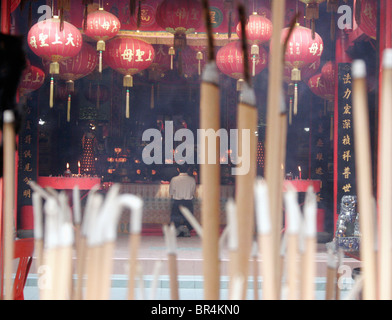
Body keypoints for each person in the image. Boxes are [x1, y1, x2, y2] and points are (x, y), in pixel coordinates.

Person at [169, 164, 196, 237]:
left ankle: (177, 231)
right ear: (188, 169)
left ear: (178, 169)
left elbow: (171, 192)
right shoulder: (192, 179)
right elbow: (193, 192)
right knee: (188, 218)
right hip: (188, 202)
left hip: (177, 201)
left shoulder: (174, 179)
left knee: (176, 218)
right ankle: (186, 231)